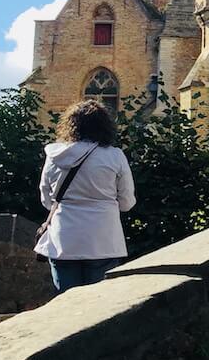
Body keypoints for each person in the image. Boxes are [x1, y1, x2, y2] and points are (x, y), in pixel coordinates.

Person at [35, 100, 136, 293]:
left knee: (64, 304)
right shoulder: (115, 156)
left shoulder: (55, 155)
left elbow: (47, 200)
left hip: (63, 239)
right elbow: (126, 203)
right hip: (103, 239)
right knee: (99, 304)